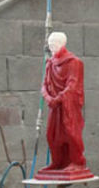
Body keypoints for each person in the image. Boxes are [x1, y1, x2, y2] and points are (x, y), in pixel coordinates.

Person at [36, 31, 92, 180]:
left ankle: (77, 162)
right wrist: (48, 98)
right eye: (50, 44)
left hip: (68, 105)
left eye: (54, 43)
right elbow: (44, 85)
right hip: (54, 106)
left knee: (71, 133)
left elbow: (72, 85)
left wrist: (58, 99)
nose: (51, 46)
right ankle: (58, 162)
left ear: (62, 44)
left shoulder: (74, 62)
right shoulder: (50, 63)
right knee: (52, 134)